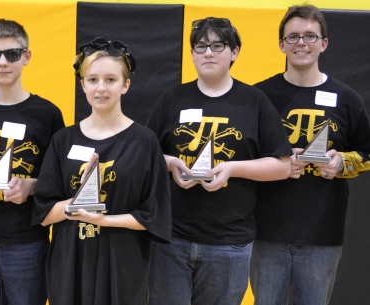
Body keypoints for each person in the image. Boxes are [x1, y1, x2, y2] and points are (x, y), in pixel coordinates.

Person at [145, 17, 293, 305]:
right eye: (200, 47)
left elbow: (283, 165)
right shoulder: (172, 98)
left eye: (217, 45)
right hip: (171, 239)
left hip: (230, 243)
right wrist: (171, 163)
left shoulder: (255, 101)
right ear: (191, 54)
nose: (208, 53)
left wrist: (233, 168)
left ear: (234, 51)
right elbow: (145, 156)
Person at [31, 37, 171, 305]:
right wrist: (79, 199)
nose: (101, 88)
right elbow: (44, 215)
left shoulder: (144, 141)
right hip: (71, 260)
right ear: (82, 84)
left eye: (110, 79)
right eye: (92, 79)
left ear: (125, 85)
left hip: (122, 261)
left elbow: (153, 215)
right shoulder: (63, 140)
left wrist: (104, 220)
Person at [250, 5, 370, 305]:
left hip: (322, 233)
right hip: (264, 233)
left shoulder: (347, 99)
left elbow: (367, 151)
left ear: (324, 43)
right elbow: (241, 156)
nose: (301, 43)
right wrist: (275, 164)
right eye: (292, 37)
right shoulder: (257, 97)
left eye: (309, 36)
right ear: (281, 44)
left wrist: (342, 163)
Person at [0, 19, 65, 305]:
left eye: (12, 54)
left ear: (26, 57)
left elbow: (60, 182)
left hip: (27, 239)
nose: (3, 62)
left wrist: (30, 186)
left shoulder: (48, 114)